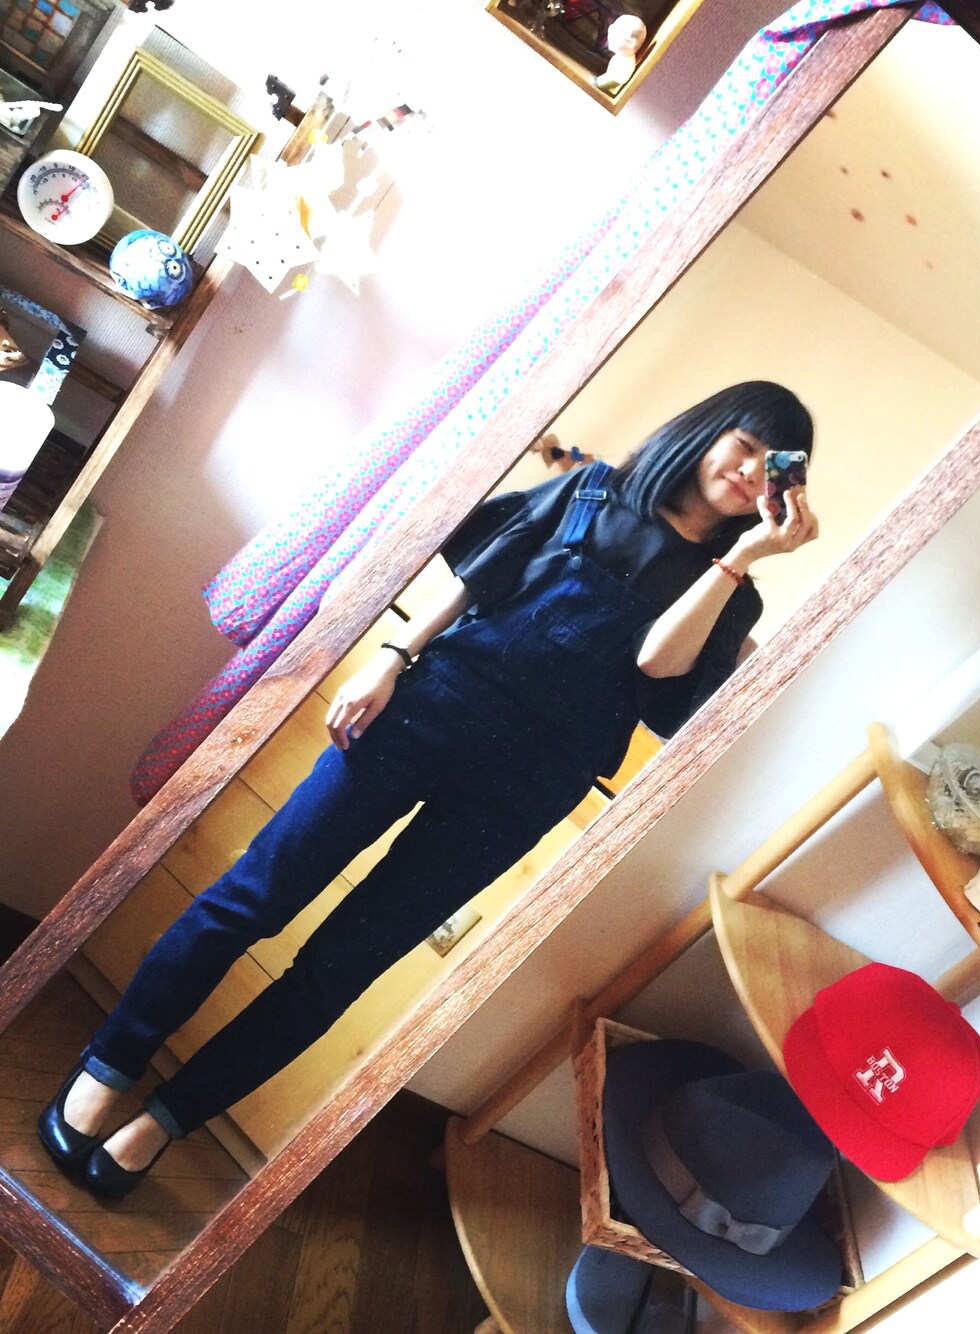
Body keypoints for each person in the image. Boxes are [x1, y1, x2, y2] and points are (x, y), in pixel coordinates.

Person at [39, 380, 818, 1199]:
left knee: (341, 967)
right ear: (706, 431)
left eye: (773, 465)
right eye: (745, 445)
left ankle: (167, 1119)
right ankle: (108, 1063)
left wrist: (740, 558)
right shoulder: (590, 489)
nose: (750, 471)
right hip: (427, 709)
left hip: (525, 788)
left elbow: (657, 664)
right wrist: (390, 658)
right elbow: (475, 579)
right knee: (253, 895)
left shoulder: (735, 592)